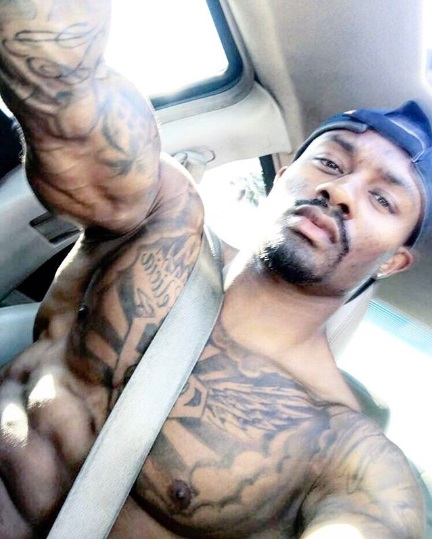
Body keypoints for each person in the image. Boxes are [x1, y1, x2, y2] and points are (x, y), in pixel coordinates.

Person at [0, 1, 429, 538]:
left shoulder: (344, 450)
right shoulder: (160, 220)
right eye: (329, 162)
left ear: (394, 261)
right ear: (283, 177)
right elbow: (62, 81)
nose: (340, 190)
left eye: (383, 199)